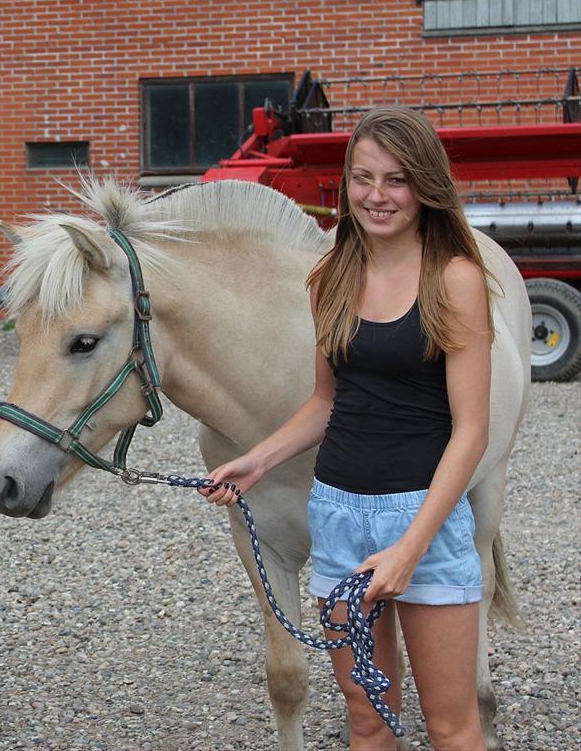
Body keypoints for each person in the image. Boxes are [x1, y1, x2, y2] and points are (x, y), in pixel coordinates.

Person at [200, 106, 491, 750]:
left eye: (396, 180)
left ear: (426, 186)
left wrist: (411, 547)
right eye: (363, 178)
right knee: (366, 720)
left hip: (426, 518)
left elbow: (471, 430)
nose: (376, 196)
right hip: (338, 514)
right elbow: (327, 401)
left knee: (450, 725)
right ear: (346, 184)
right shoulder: (330, 277)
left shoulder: (456, 280)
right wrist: (259, 460)